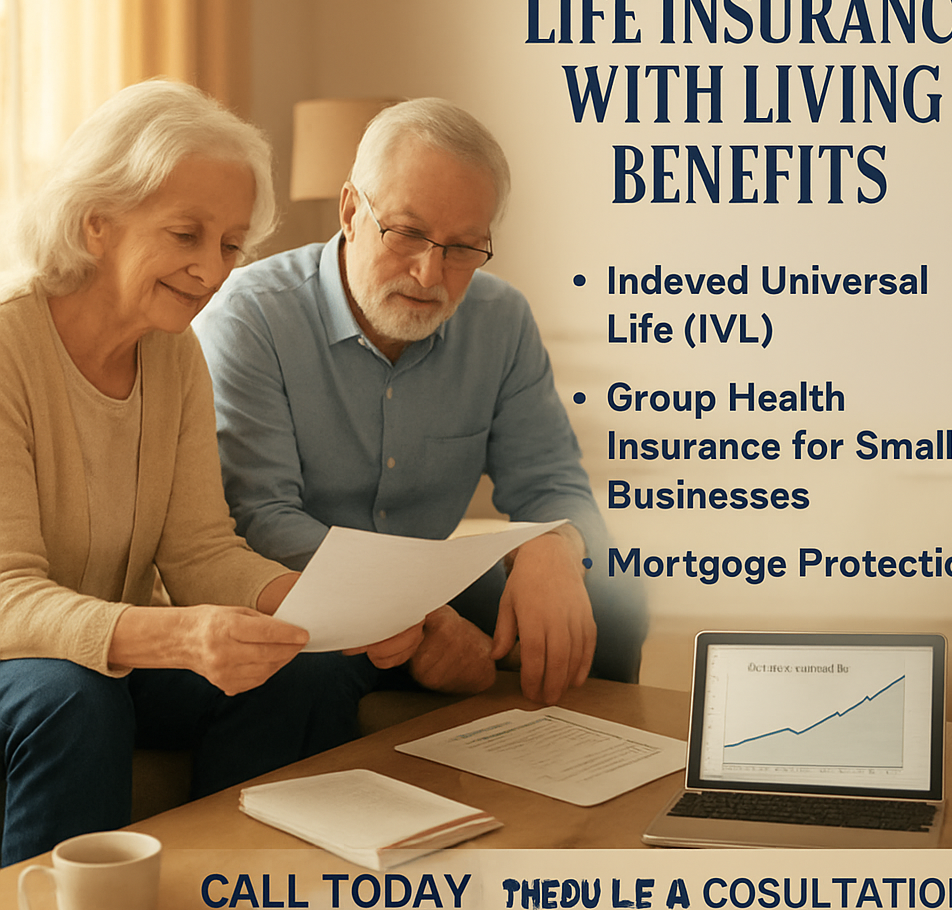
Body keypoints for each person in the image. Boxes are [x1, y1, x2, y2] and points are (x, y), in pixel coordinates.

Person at [0, 80, 426, 867]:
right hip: (24, 671)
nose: (209, 270)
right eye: (185, 234)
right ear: (97, 223)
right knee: (74, 697)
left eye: (230, 245)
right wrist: (177, 634)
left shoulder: (174, 353)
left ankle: (258, 886)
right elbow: (7, 597)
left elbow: (198, 549)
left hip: (102, 655)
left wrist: (332, 613)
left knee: (303, 674)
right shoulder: (8, 350)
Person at [193, 98, 647, 708]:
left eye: (463, 247)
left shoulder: (501, 319)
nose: (430, 274)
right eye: (407, 234)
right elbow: (262, 519)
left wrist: (553, 545)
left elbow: (553, 482)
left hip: (430, 581)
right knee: (320, 663)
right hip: (301, 586)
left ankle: (573, 782)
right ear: (352, 211)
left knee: (616, 601)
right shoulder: (252, 316)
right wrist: (423, 618)